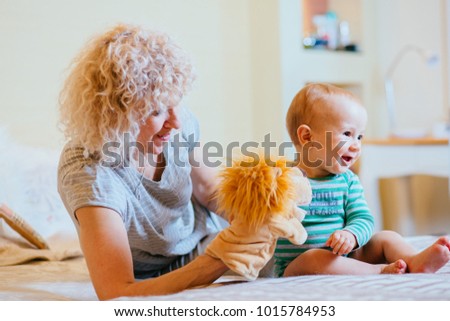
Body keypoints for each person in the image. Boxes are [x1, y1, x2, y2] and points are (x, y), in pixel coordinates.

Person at [57, 24, 230, 300]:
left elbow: (210, 191)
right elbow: (116, 292)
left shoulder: (177, 124)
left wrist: (256, 221)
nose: (174, 122)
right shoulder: (88, 171)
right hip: (151, 275)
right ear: (115, 115)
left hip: (206, 239)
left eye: (176, 103)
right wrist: (224, 257)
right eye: (156, 111)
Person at [274, 82, 450, 277]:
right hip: (297, 264)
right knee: (314, 257)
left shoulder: (348, 181)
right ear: (307, 137)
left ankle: (414, 260)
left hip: (347, 255)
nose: (357, 145)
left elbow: (363, 219)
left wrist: (352, 234)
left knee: (386, 237)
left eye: (360, 137)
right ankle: (379, 270)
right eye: (348, 134)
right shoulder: (283, 180)